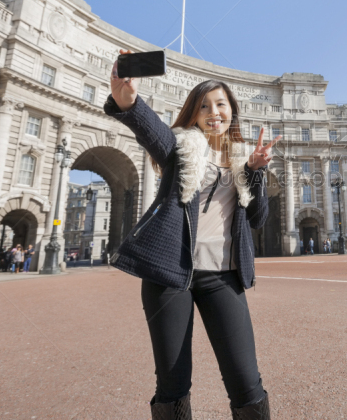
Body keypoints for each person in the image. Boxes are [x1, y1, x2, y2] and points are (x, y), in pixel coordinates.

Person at [106, 54, 274, 419]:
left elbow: (259, 218)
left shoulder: (244, 161)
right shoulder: (180, 147)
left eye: (220, 105)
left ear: (232, 111)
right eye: (203, 107)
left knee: (246, 380)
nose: (213, 112)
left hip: (222, 276)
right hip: (169, 275)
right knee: (173, 383)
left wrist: (257, 173)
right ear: (194, 115)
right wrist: (129, 101)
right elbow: (154, 132)